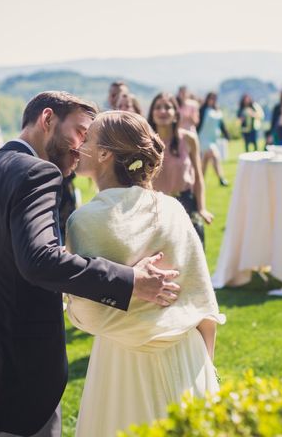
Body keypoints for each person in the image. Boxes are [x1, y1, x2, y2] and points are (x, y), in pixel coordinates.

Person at [0, 91, 181, 436]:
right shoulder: (36, 173)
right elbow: (39, 260)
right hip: (18, 375)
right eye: (81, 131)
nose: (83, 147)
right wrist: (130, 281)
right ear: (48, 119)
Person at [66, 110, 225, 437]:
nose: (79, 144)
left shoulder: (83, 221)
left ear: (105, 154)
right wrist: (206, 370)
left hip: (121, 367)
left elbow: (85, 313)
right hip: (186, 355)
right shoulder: (172, 208)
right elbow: (203, 302)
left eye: (88, 138)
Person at [149, 92, 213, 248]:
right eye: (158, 107)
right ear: (151, 114)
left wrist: (202, 208)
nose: (163, 111)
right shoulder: (145, 143)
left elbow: (198, 177)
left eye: (167, 107)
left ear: (176, 114)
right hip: (156, 208)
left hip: (186, 203)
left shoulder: (189, 139)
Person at [197, 92, 230, 186]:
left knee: (205, 161)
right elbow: (197, 124)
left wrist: (227, 135)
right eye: (211, 98)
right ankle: (221, 178)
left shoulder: (217, 110)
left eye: (214, 98)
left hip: (213, 139)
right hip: (203, 138)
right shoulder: (202, 110)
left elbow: (221, 124)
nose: (212, 100)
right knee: (215, 155)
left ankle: (200, 180)